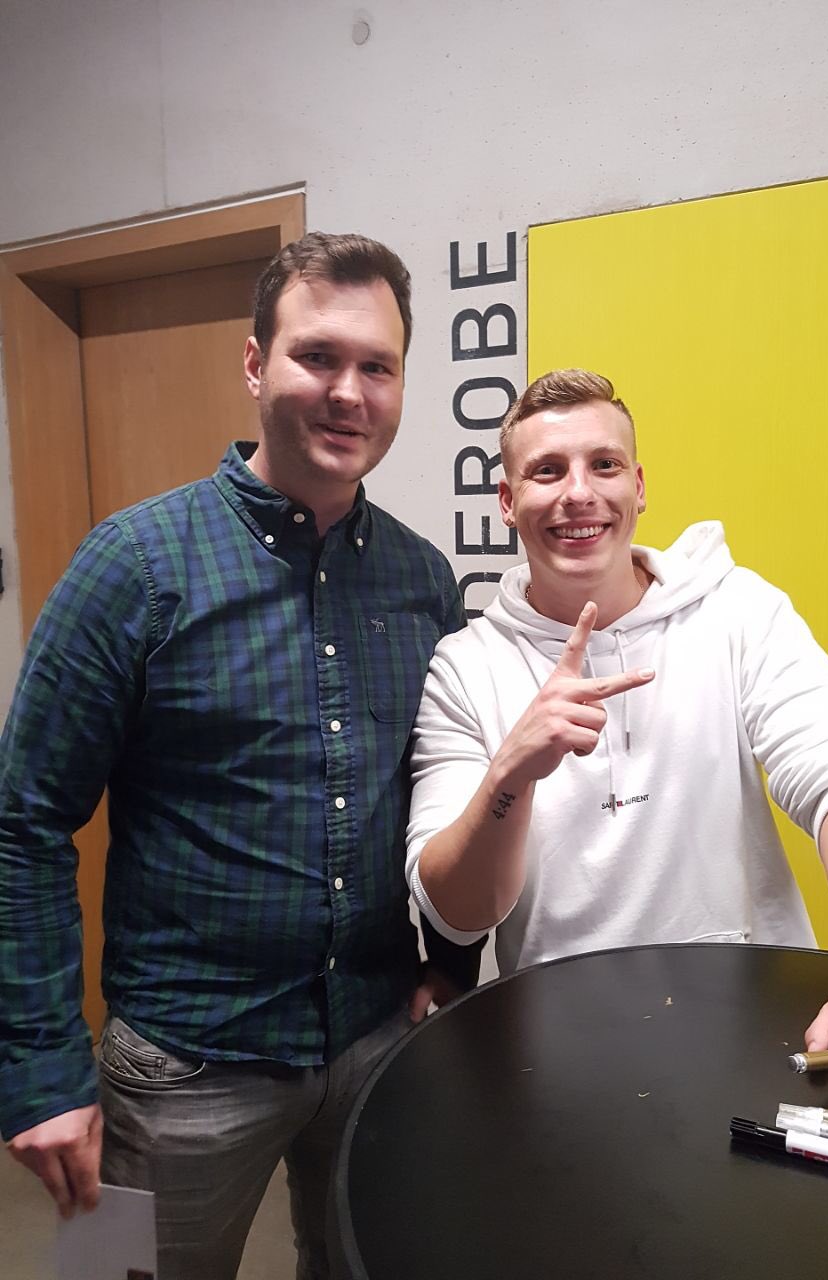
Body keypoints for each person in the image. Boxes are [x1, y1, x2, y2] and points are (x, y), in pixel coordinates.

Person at [0, 232, 478, 1278]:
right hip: (176, 1067)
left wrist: (451, 964)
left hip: (376, 1035)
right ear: (255, 364)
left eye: (378, 366)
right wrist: (38, 1069)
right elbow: (22, 821)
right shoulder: (132, 565)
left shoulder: (422, 578)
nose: (348, 392)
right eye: (317, 356)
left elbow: (448, 794)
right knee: (111, 1276)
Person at [406, 368, 828, 1090]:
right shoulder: (465, 666)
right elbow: (457, 913)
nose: (579, 492)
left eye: (604, 465)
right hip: (563, 1059)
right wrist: (511, 775)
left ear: (638, 487)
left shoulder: (738, 611)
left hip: (758, 1033)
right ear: (508, 502)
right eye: (547, 471)